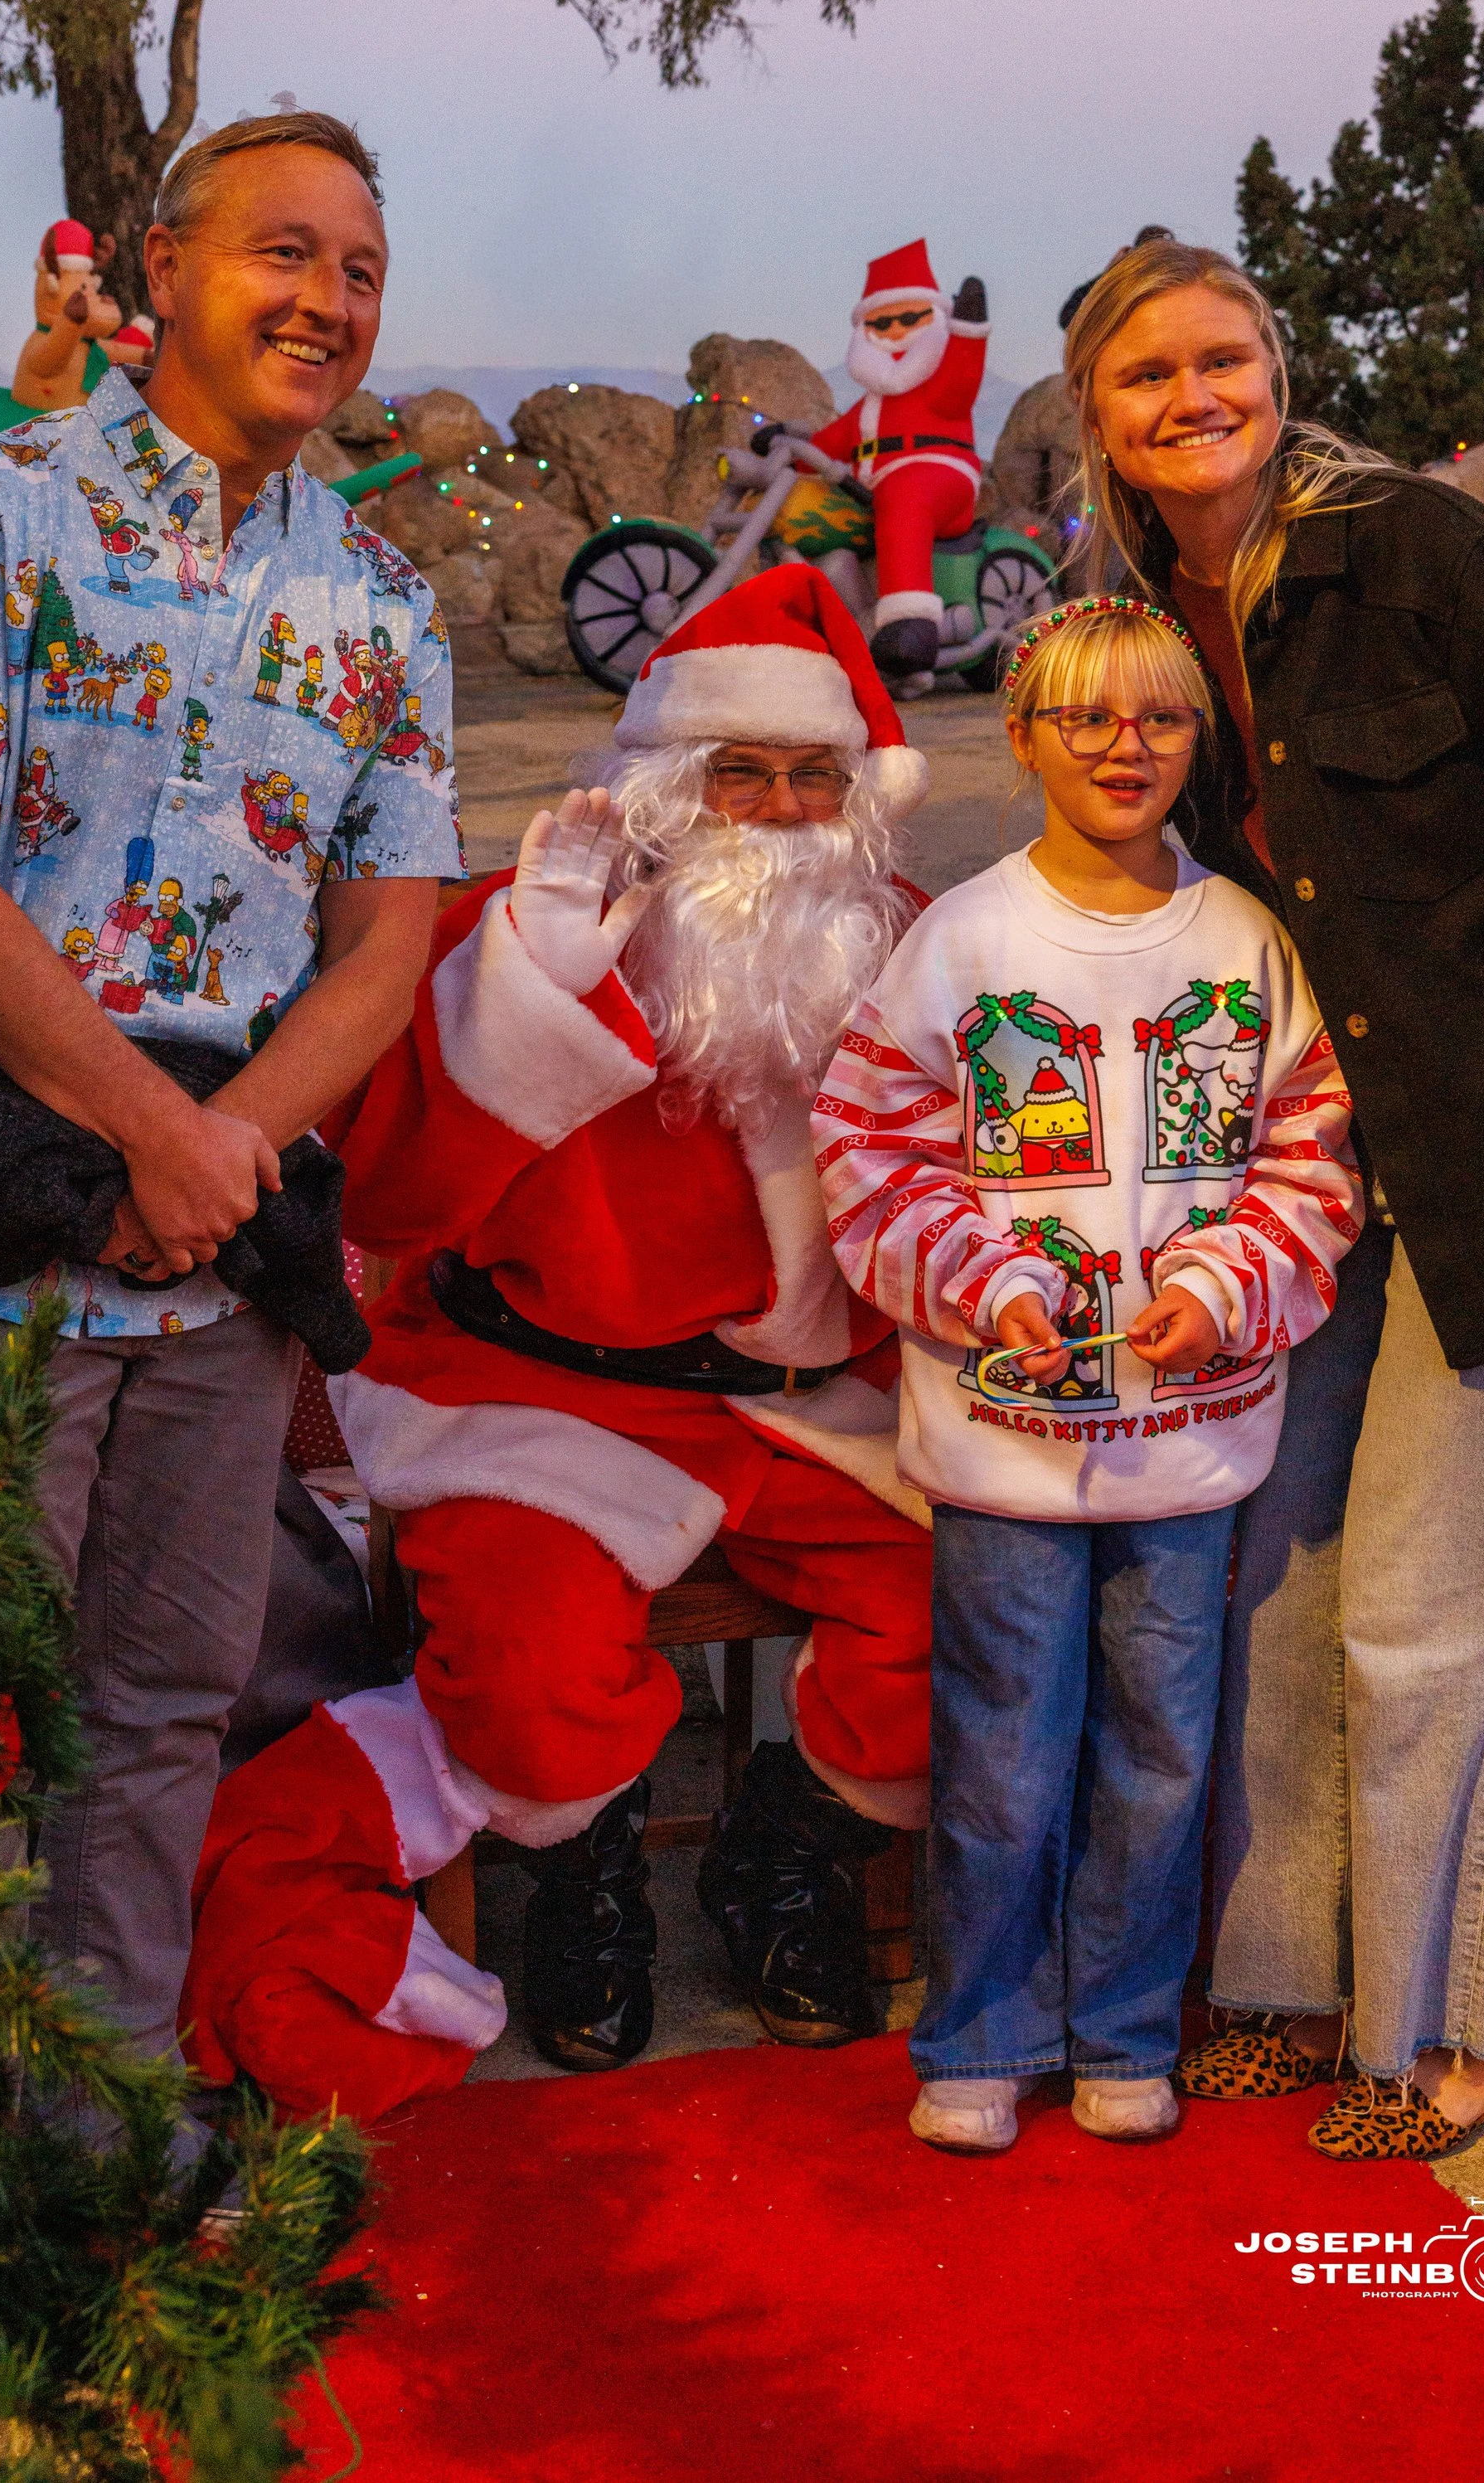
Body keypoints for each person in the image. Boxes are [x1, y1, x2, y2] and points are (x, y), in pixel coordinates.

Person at [0, 108, 463, 2083]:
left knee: (163, 1706)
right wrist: (163, 1139)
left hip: (216, 1271)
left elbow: (385, 947)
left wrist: (221, 1157)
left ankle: (97, 2114)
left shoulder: (383, 599)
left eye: (361, 268)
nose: (328, 299)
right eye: (286, 251)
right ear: (158, 271)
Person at [1061, 235, 1484, 2156]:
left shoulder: (1428, 561)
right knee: (1278, 1590)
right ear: (1097, 415)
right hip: (1322, 1179)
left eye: (1223, 357)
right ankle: (1280, 1978)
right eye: (1144, 376)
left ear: (1278, 367)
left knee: (1449, 1607)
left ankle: (1454, 2028)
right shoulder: (1152, 619)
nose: (1192, 398)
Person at [180, 568, 939, 2121]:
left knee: (987, 1606)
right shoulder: (522, 930)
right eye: (742, 771)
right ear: (663, 781)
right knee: (523, 1661)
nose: (783, 812)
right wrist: (524, 1002)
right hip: (536, 1393)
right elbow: (384, 1198)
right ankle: (580, 1858)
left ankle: (786, 1845)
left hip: (811, 1404)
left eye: (817, 776)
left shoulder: (910, 940)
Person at [813, 596, 1360, 2155]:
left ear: (1201, 736)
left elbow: (1308, 1152)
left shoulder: (1245, 940)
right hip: (1007, 1448)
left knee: (1162, 1747)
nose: (1128, 746)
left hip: (1190, 1447)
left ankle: (1124, 2019)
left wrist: (1220, 1282)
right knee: (998, 1747)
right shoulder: (963, 938)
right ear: (1027, 733)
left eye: (1162, 718)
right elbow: (866, 1148)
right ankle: (983, 2027)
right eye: (1090, 718)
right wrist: (987, 1282)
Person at [788, 240, 991, 683]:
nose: (896, 331)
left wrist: (968, 332)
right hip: (875, 488)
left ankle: (911, 624)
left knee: (905, 493)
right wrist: (782, 446)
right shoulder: (871, 405)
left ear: (936, 319)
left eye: (911, 318)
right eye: (881, 323)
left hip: (942, 477)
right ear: (864, 330)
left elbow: (963, 378)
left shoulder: (939, 384)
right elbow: (830, 443)